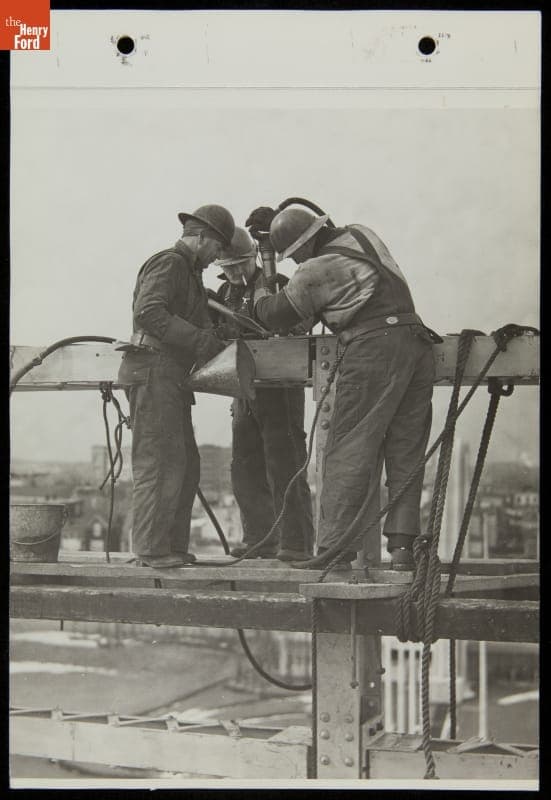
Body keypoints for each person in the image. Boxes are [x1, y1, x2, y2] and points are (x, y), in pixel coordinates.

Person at [247, 206, 436, 570]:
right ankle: (402, 551)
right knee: (405, 451)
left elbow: (274, 315)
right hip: (416, 343)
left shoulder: (316, 269)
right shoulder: (362, 234)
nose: (295, 261)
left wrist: (260, 291)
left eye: (294, 254)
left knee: (346, 449)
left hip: (373, 350)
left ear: (303, 246)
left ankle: (334, 549)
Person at [118, 205, 235, 568]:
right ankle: (152, 550)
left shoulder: (191, 274)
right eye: (217, 249)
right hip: (153, 372)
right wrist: (201, 341)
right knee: (160, 461)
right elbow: (148, 312)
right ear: (201, 238)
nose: (218, 258)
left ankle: (169, 546)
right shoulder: (169, 263)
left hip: (170, 376)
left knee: (186, 464)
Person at [212, 227, 314, 561]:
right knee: (245, 466)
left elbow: (302, 321)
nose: (236, 273)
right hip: (243, 389)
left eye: (241, 265)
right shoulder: (223, 293)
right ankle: (259, 539)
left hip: (281, 387)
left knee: (284, 463)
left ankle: (295, 543)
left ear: (254, 258)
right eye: (228, 268)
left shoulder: (279, 284)